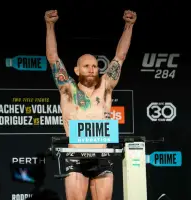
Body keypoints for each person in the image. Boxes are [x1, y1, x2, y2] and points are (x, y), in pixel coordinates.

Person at [44, 9, 136, 200]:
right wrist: (49, 25)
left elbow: (120, 57)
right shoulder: (68, 89)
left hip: (102, 156)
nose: (92, 69)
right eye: (86, 66)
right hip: (76, 157)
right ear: (77, 70)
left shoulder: (105, 86)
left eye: (94, 66)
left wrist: (129, 26)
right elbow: (53, 57)